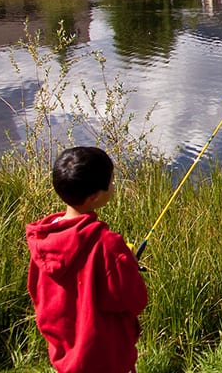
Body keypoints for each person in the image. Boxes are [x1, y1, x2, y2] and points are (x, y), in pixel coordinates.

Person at [27, 146, 147, 373]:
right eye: (111, 181)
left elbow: (37, 291)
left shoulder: (44, 239)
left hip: (66, 352)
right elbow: (135, 300)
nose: (113, 185)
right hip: (105, 355)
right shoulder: (107, 244)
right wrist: (128, 263)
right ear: (95, 196)